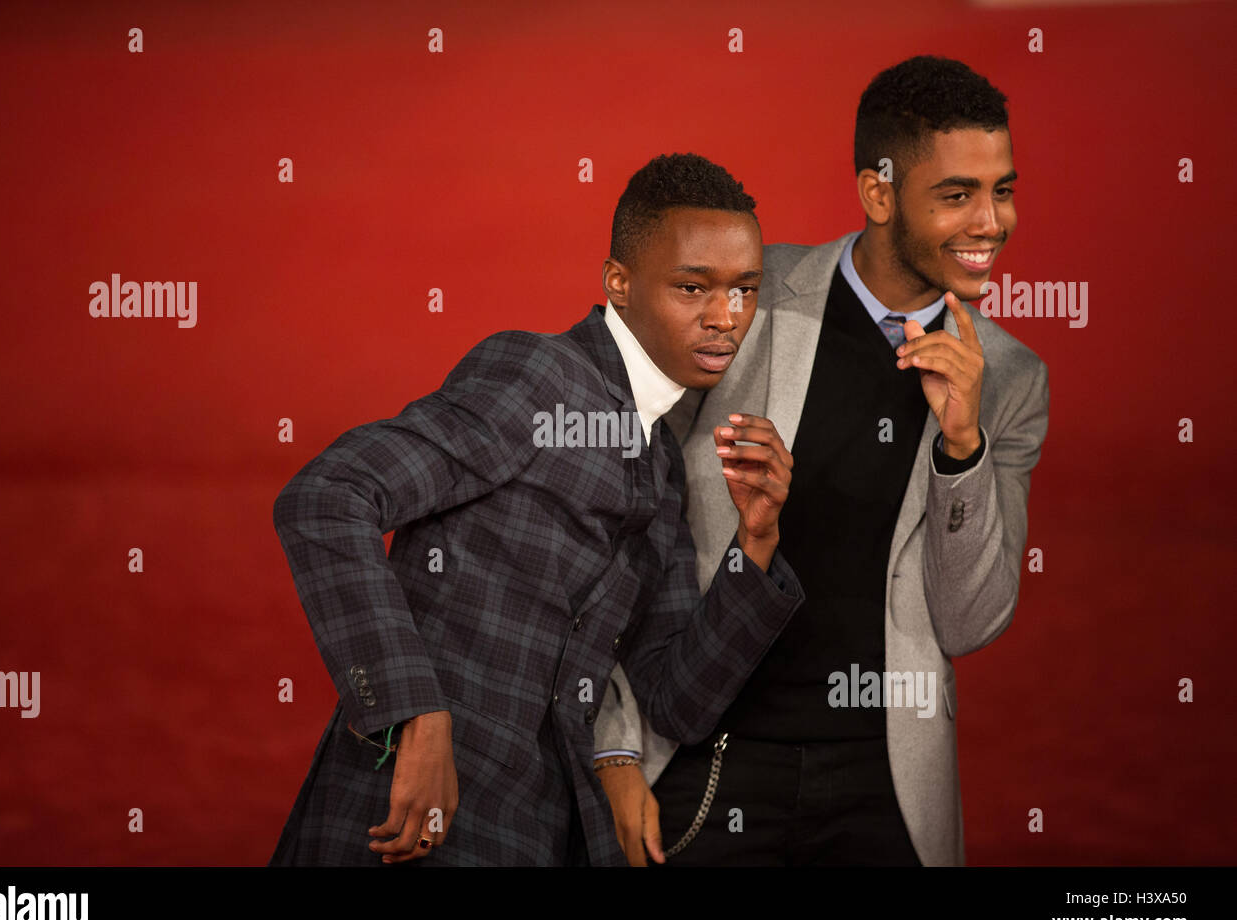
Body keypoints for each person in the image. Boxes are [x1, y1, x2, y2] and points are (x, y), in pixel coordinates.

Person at [267, 153, 804, 866]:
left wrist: (756, 541)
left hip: (535, 836)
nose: (724, 317)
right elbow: (327, 497)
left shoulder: (664, 467)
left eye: (744, 290)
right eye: (691, 287)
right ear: (618, 283)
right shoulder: (540, 377)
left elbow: (676, 701)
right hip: (402, 823)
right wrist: (413, 713)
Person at [594, 56, 1050, 866]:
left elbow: (970, 621)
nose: (991, 222)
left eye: (1002, 190)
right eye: (956, 195)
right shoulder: (746, 302)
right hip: (708, 760)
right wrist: (616, 746)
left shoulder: (1010, 380)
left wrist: (961, 449)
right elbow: (614, 529)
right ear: (878, 195)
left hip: (883, 788)